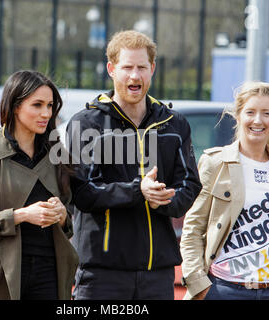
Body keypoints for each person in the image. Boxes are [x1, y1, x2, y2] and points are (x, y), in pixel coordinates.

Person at [67, 30, 202, 300]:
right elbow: (82, 191)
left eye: (142, 67)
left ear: (152, 69)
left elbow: (190, 184)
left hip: (158, 274)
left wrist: (163, 200)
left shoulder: (174, 125)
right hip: (101, 274)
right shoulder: (86, 123)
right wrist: (138, 190)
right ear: (111, 69)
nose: (134, 76)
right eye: (127, 67)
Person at [180, 81, 269, 300]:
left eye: (266, 113)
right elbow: (193, 228)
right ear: (238, 116)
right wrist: (200, 286)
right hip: (224, 289)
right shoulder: (215, 163)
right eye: (250, 112)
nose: (258, 120)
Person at [0, 70, 78, 300]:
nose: (46, 113)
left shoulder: (57, 155)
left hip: (49, 273)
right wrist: (20, 215)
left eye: (50, 106)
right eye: (37, 105)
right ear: (15, 106)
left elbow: (69, 222)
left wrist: (62, 216)